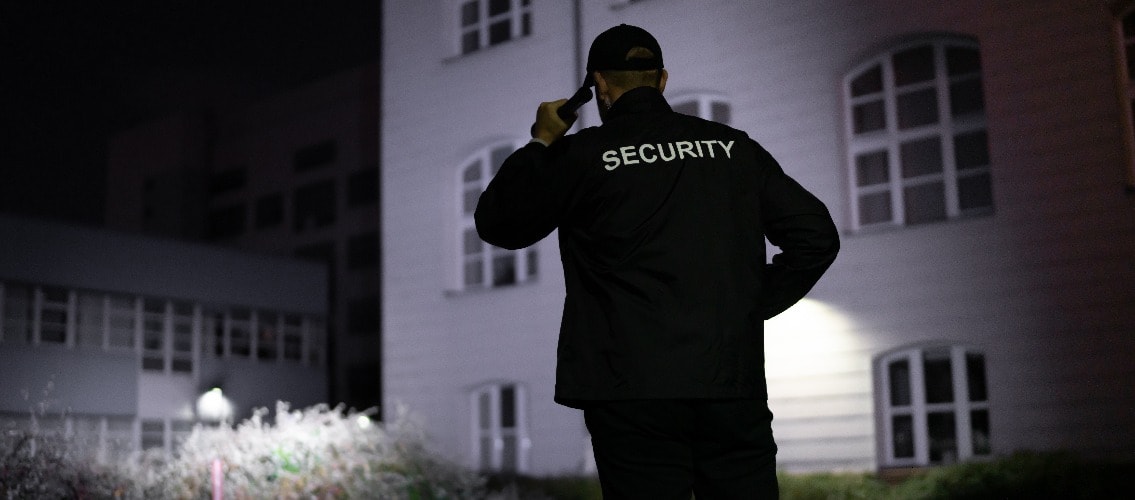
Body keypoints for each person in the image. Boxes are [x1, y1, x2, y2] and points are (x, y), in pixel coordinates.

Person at [475, 24, 839, 499]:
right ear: (662, 80)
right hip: (727, 383)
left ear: (599, 85)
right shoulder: (733, 148)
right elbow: (816, 237)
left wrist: (541, 144)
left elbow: (500, 224)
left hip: (629, 391)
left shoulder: (581, 156)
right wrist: (745, 306)